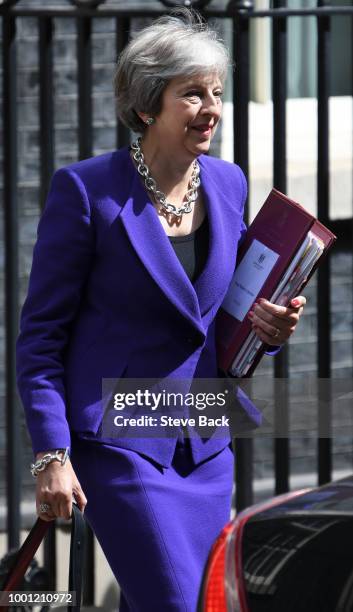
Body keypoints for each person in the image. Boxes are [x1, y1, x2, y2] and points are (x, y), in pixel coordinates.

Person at [16, 9, 306, 612]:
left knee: (191, 599)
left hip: (204, 441)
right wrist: (51, 454)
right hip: (123, 445)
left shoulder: (227, 184)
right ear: (149, 104)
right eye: (192, 94)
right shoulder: (88, 191)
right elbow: (40, 339)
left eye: (217, 93)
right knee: (180, 602)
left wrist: (270, 329)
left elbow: (226, 313)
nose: (211, 109)